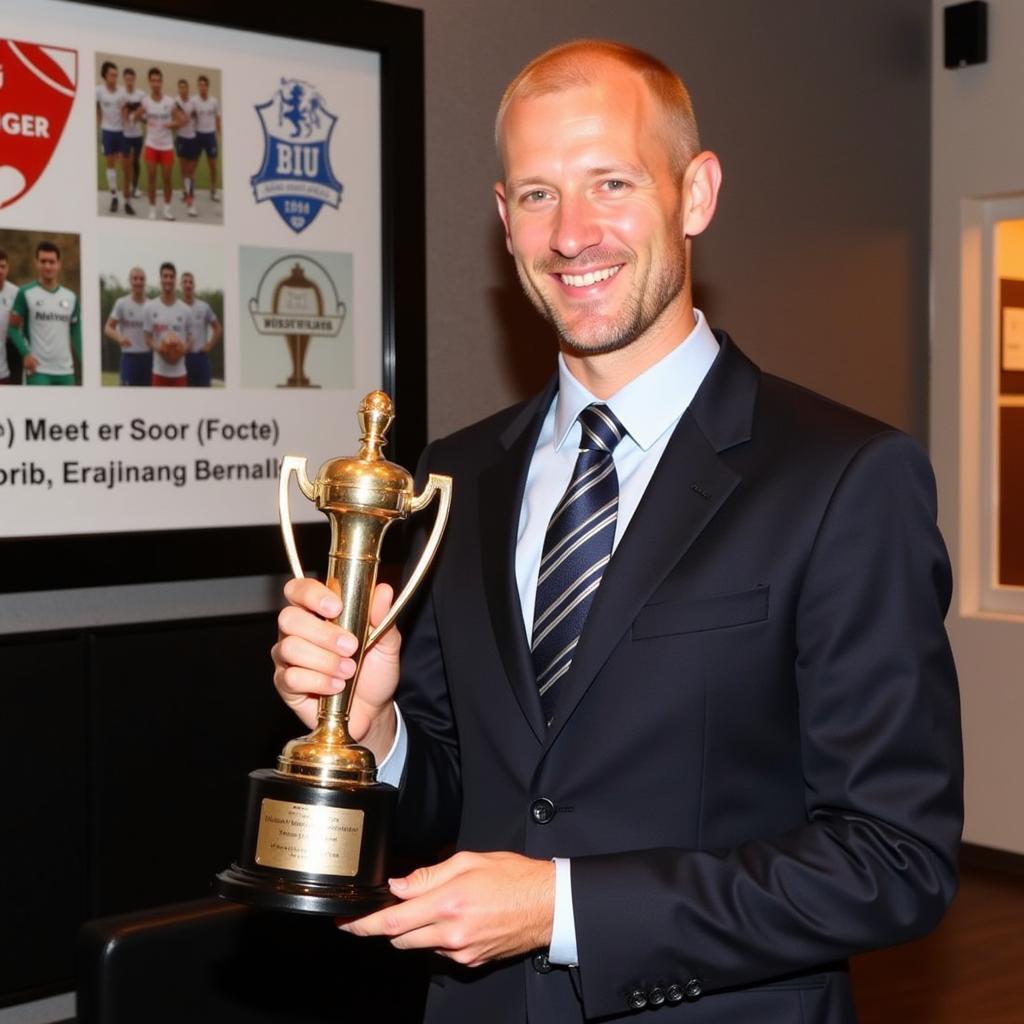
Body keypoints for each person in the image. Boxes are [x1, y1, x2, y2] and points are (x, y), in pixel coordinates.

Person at [271, 40, 962, 1024]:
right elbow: (463, 796)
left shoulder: (845, 476)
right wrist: (376, 734)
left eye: (610, 182)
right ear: (504, 222)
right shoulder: (454, 476)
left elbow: (893, 860)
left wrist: (562, 908)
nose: (572, 234)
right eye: (539, 195)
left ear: (695, 193)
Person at [8, 241, 81, 386]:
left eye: (52, 262)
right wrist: (25, 353)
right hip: (38, 371)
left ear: (59, 264)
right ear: (37, 263)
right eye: (43, 261)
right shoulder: (25, 293)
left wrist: (84, 361)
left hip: (65, 372)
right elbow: (12, 328)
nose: (47, 266)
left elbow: (76, 332)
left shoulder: (71, 297)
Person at [133, 67, 185, 221]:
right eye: (153, 80)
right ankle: (152, 209)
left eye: (158, 80)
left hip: (167, 146)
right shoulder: (146, 101)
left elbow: (180, 121)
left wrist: (171, 125)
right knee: (151, 178)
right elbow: (137, 115)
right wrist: (143, 119)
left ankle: (167, 209)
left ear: (161, 82)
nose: (156, 83)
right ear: (149, 82)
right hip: (151, 145)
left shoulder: (170, 101)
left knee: (167, 178)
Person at [95, 61, 135, 216]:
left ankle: (128, 201)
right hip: (107, 133)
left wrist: (127, 126)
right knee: (110, 165)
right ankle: (114, 198)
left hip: (121, 133)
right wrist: (100, 124)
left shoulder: (122, 92)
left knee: (126, 167)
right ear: (105, 75)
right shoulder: (98, 91)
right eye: (112, 75)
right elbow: (96, 106)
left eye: (116, 75)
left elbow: (125, 111)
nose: (115, 77)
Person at [143, 261, 190, 387]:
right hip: (159, 373)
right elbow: (147, 338)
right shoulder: (150, 307)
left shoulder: (185, 310)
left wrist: (181, 350)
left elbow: (191, 339)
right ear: (161, 279)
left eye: (171, 276)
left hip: (179, 374)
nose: (168, 279)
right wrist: (161, 348)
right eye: (165, 276)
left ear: (175, 280)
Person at [104, 266, 152, 386]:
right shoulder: (122, 303)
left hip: (148, 357)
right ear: (130, 281)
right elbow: (108, 328)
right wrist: (119, 338)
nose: (138, 282)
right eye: (135, 279)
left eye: (141, 279)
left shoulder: (152, 306)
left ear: (145, 282)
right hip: (129, 357)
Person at [180, 270, 221, 386]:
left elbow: (217, 328)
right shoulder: (176, 307)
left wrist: (209, 345)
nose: (188, 285)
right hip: (182, 359)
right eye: (185, 282)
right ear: (181, 285)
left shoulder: (204, 307)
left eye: (190, 282)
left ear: (194, 285)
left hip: (200, 358)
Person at [193, 74, 221, 203]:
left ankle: (213, 191)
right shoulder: (194, 101)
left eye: (204, 85)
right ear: (198, 86)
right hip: (198, 136)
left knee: (213, 166)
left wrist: (218, 133)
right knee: (193, 165)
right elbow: (190, 116)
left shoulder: (214, 101)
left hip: (210, 136)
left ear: (207, 87)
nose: (202, 87)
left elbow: (217, 117)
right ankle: (190, 190)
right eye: (200, 85)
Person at [174, 78, 199, 218]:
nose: (183, 90)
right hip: (181, 139)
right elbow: (176, 119)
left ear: (188, 89)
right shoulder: (176, 102)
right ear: (178, 89)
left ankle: (191, 202)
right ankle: (187, 194)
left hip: (193, 139)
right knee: (184, 171)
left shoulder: (193, 102)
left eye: (185, 87)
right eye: (180, 87)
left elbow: (197, 116)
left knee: (190, 172)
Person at [121, 67, 146, 201]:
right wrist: (126, 113)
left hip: (137, 135)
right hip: (125, 135)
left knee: (135, 161)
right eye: (127, 79)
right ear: (124, 80)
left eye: (131, 79)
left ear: (134, 79)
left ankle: (135, 187)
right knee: (126, 163)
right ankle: (127, 186)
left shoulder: (141, 94)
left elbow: (144, 116)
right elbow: (119, 112)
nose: (129, 82)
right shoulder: (121, 94)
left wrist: (136, 115)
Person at [0, 248, 18, 385]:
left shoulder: (16, 293)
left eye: (2, 266)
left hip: (8, 360)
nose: (0, 270)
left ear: (8, 268)